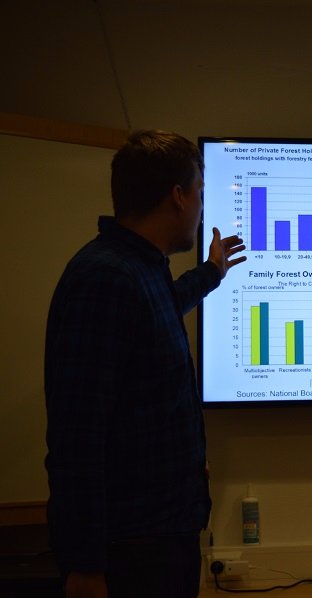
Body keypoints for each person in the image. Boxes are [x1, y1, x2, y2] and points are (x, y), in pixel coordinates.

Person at [44, 130, 246, 598]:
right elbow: (78, 437)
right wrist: (86, 567)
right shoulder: (106, 278)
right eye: (200, 192)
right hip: (130, 553)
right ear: (178, 197)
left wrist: (212, 272)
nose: (201, 209)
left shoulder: (139, 270)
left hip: (160, 538)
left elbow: (161, 308)